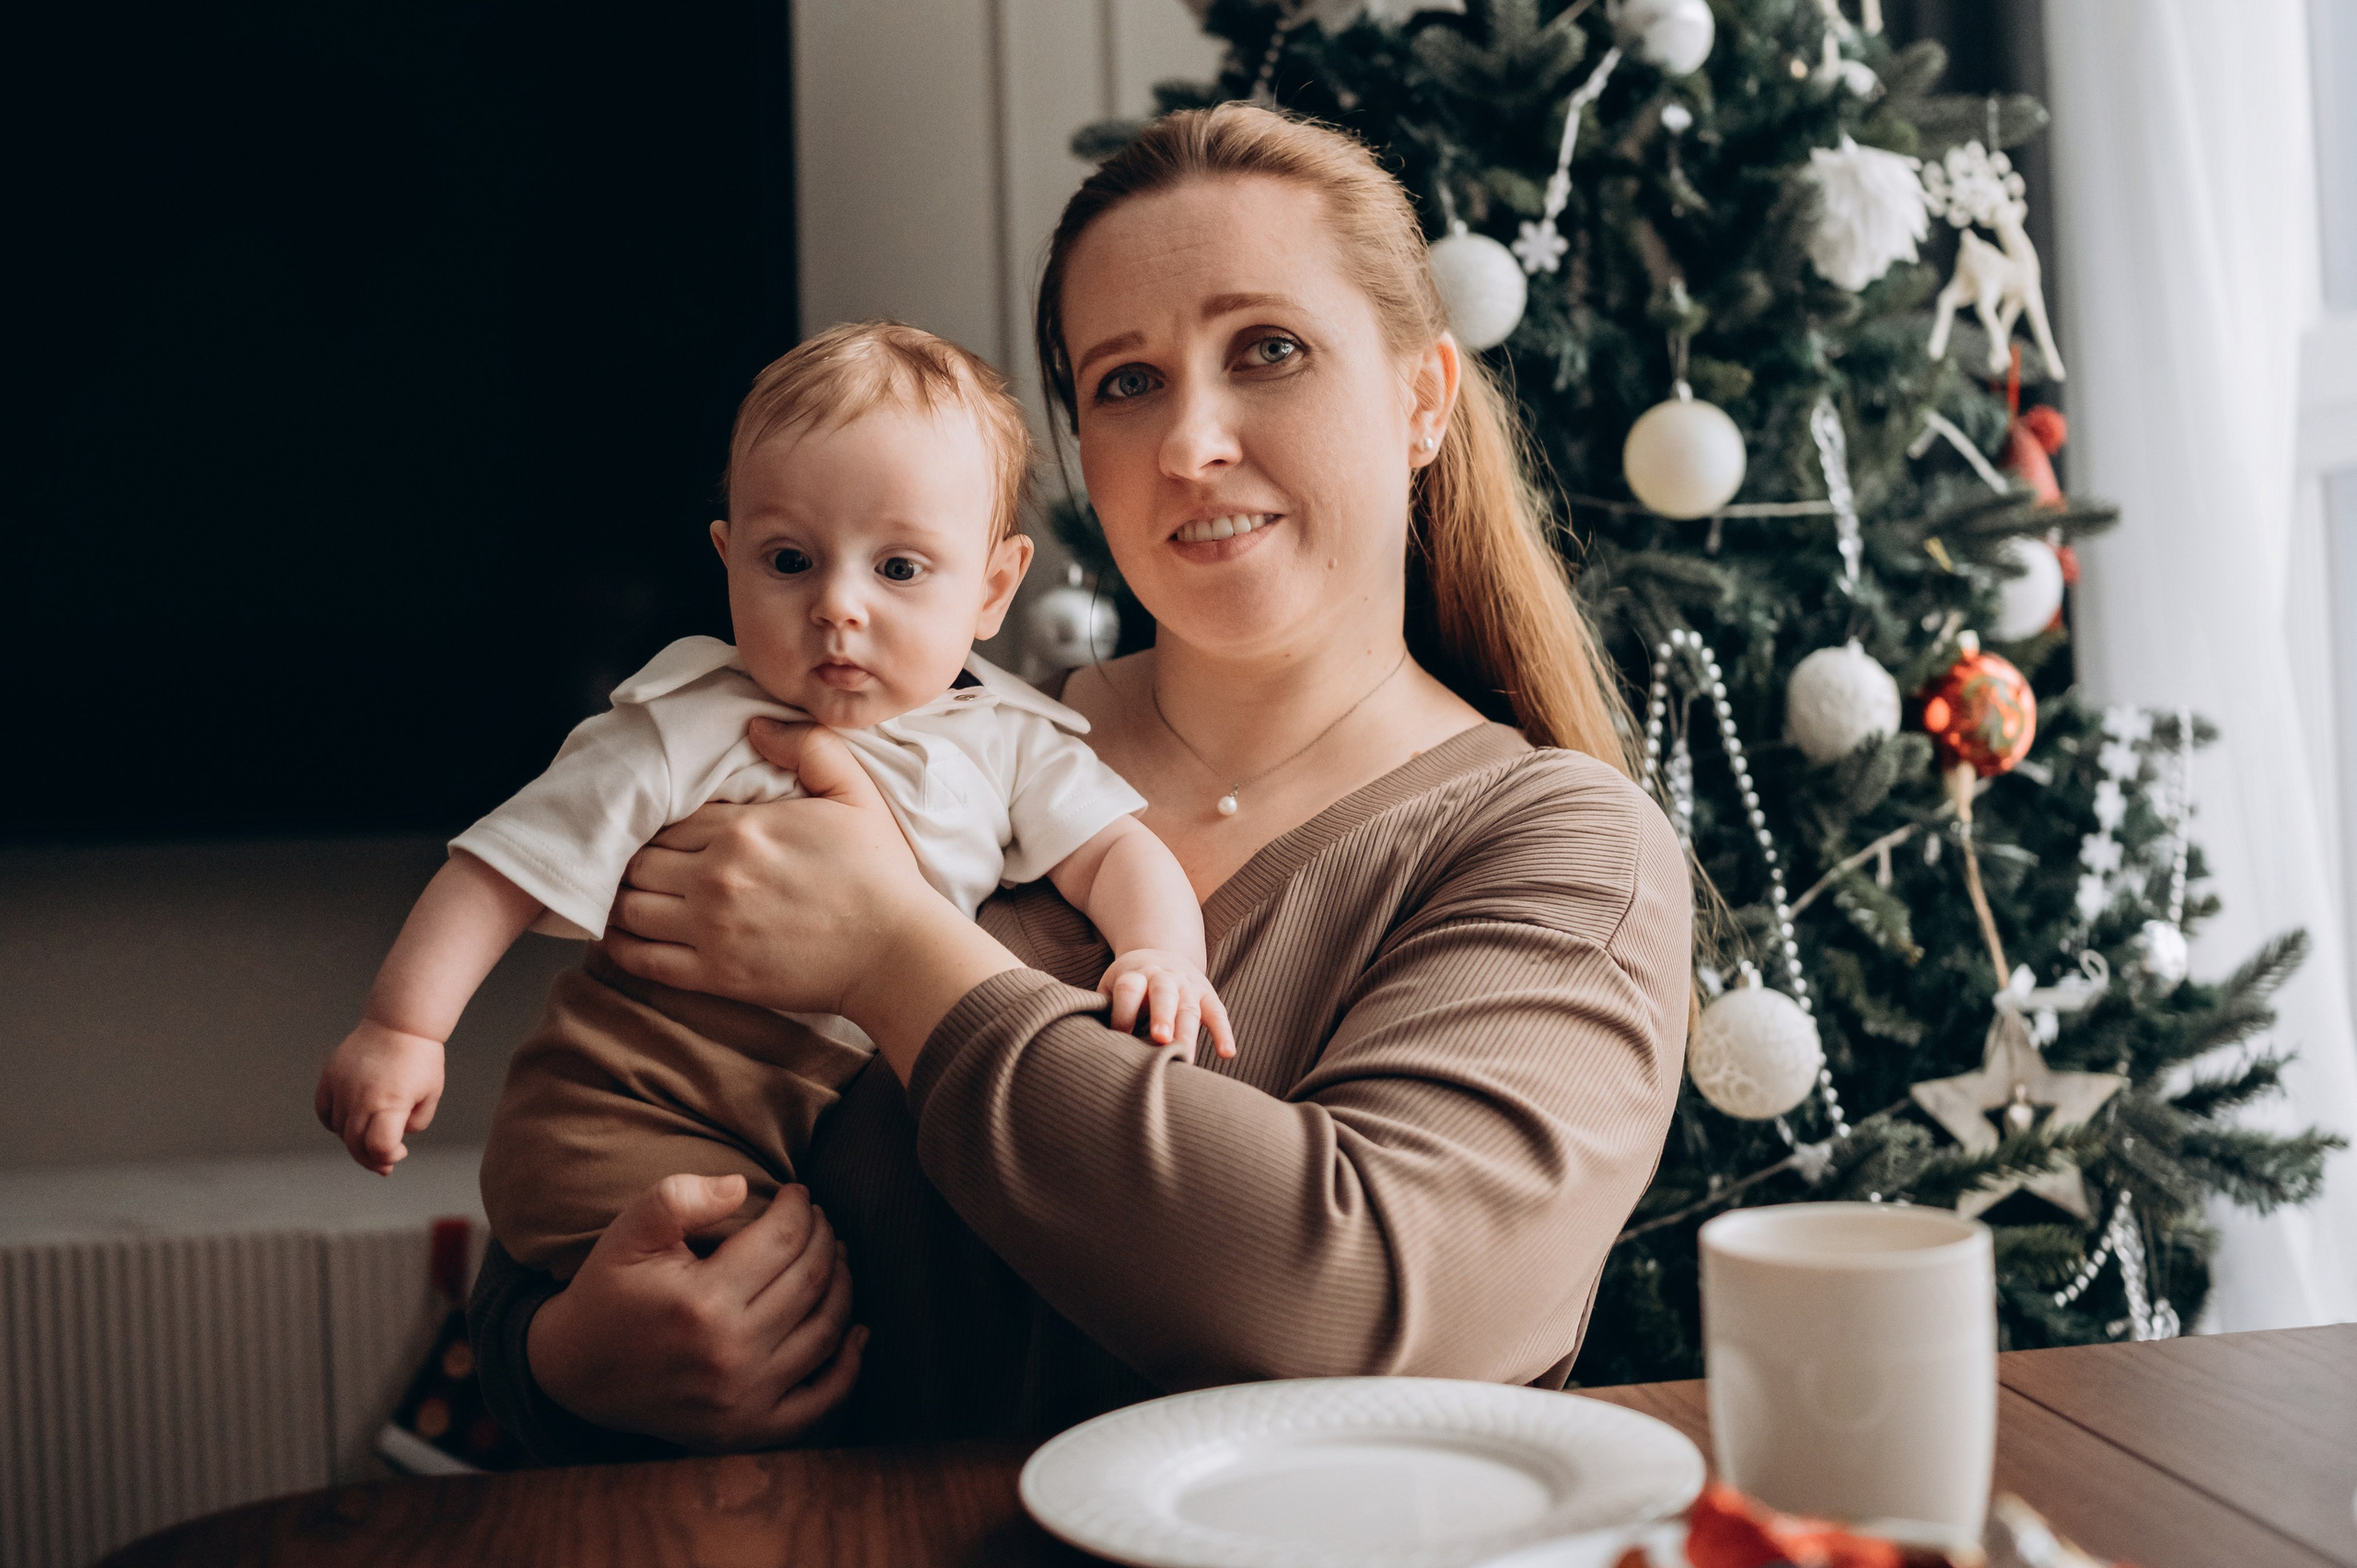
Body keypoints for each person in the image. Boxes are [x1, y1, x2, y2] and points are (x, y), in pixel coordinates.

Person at [468, 103, 1691, 1460]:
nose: (1188, 443)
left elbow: (1354, 1301)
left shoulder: (1561, 846)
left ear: (1422, 399)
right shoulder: (917, 752)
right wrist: (562, 1355)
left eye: (1267, 350)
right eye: (1126, 381)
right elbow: (607, 1124)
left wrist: (896, 954)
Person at [315, 321, 1231, 1278]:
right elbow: (498, 869)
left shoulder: (1009, 741)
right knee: (762, 1292)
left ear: (994, 589)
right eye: (788, 561)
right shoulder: (687, 724)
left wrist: (1160, 951)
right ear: (728, 559)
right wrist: (402, 1028)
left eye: (899, 568)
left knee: (824, 1305)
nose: (838, 604)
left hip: (805, 1133)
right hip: (627, 1104)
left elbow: (1117, 852)